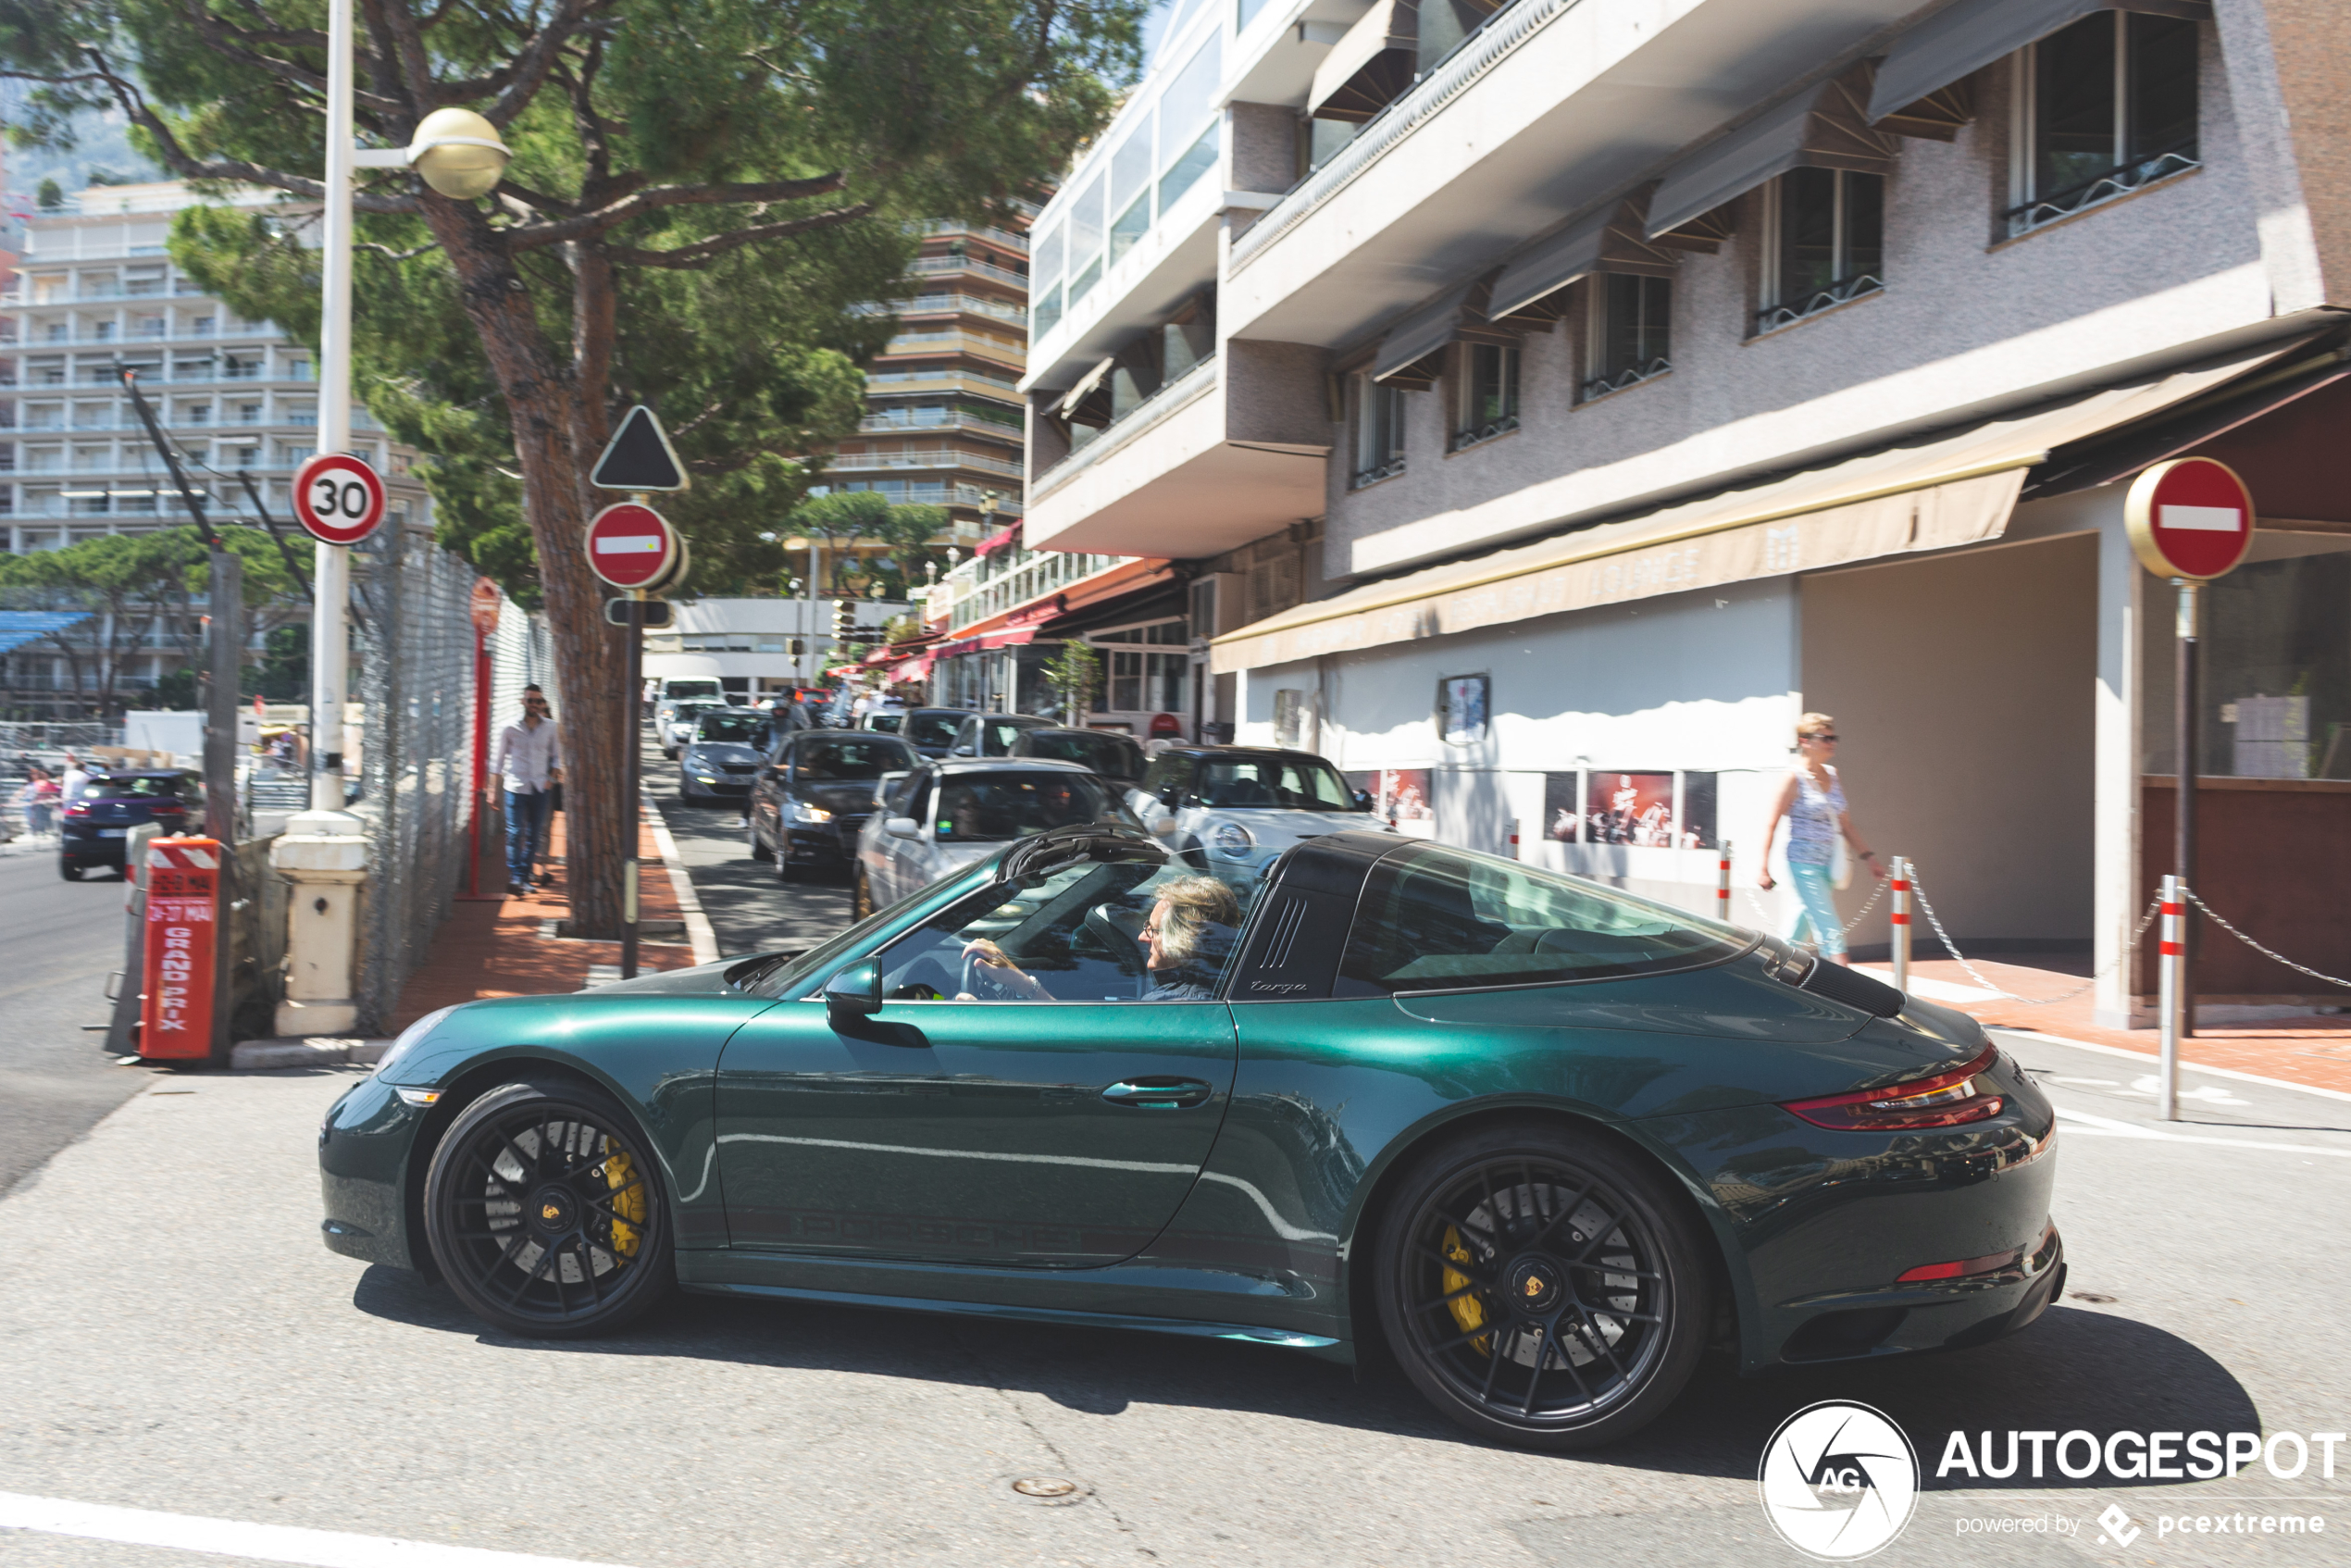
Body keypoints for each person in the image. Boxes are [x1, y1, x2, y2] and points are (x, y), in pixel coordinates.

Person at [961, 875, 1242, 1002]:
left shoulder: (1177, 1007)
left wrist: (1023, 987)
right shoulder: (1206, 988)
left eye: (1154, 930)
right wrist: (1022, 982)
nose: (1143, 938)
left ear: (1185, 940)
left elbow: (1088, 1051)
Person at [1758, 712, 1884, 966]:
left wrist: (1869, 858)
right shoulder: (1792, 778)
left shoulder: (1832, 775)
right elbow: (1771, 823)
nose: (1831, 743)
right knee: (1827, 920)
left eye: (1833, 737)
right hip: (1803, 862)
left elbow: (1845, 823)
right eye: (1824, 738)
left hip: (1830, 862)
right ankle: (1843, 978)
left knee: (1802, 916)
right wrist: (1763, 868)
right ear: (1805, 741)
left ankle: (1774, 968)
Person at [492, 691, 562, 898]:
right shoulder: (509, 727)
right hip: (515, 787)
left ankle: (523, 878)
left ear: (543, 704)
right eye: (530, 700)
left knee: (533, 835)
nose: (534, 704)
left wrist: (551, 780)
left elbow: (558, 757)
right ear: (523, 701)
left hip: (540, 788)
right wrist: (491, 791)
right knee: (514, 833)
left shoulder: (551, 727)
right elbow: (497, 761)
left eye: (538, 701)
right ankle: (516, 877)